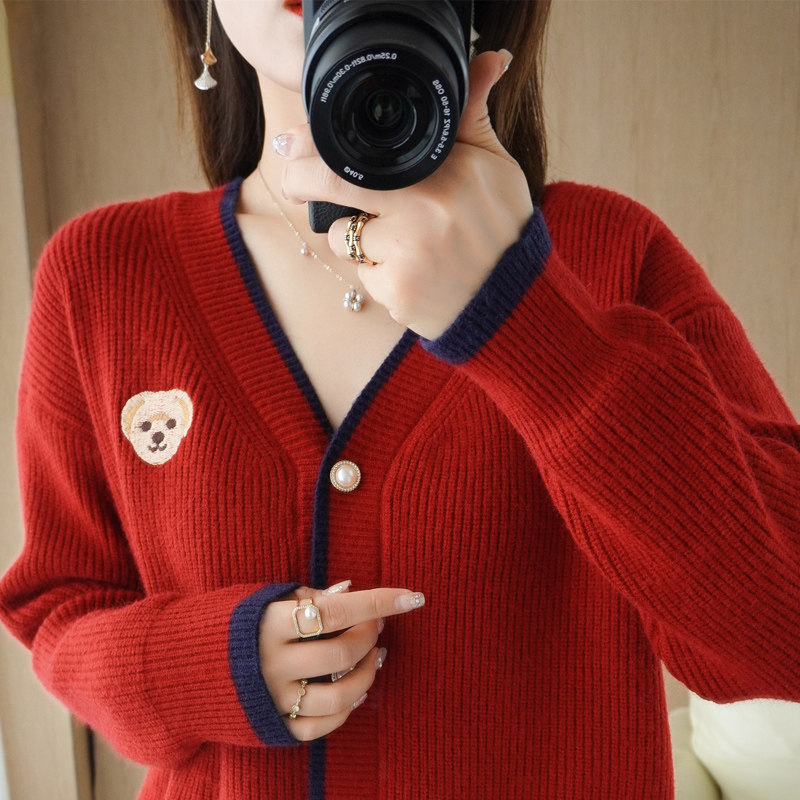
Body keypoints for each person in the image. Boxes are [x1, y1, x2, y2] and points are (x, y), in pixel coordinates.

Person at [1, 1, 799, 798]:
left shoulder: (612, 257)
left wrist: (530, 324)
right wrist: (208, 663)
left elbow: (781, 630)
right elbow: (60, 609)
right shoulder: (101, 277)